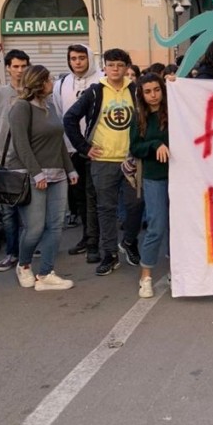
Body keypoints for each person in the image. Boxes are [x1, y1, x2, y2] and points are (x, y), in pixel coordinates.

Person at [63, 48, 144, 277]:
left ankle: (129, 241)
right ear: (104, 67)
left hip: (132, 160)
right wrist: (85, 148)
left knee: (136, 205)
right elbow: (69, 118)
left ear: (127, 66)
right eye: (110, 65)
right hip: (103, 161)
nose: (115, 70)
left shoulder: (135, 91)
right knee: (105, 209)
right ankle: (109, 253)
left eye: (119, 65)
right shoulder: (95, 92)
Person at [8, 65, 78, 291]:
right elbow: (21, 144)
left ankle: (46, 272)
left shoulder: (49, 106)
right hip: (32, 175)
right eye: (49, 80)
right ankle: (24, 264)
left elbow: (58, 142)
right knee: (35, 228)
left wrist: (70, 169)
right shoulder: (21, 107)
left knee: (55, 226)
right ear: (39, 83)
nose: (52, 83)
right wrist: (36, 173)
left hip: (57, 174)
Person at [51, 43, 103, 262]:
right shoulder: (61, 84)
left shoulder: (102, 79)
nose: (78, 62)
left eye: (82, 57)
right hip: (74, 149)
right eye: (73, 58)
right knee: (80, 197)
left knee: (99, 196)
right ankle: (87, 236)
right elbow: (62, 113)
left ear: (89, 58)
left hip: (99, 148)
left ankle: (101, 239)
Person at [0, 49, 30, 272]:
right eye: (16, 66)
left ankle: (28, 248)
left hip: (28, 161)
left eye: (23, 66)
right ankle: (12, 253)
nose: (20, 70)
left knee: (29, 211)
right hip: (2, 161)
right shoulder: (1, 93)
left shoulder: (34, 93)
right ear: (8, 68)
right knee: (8, 213)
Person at [129, 73, 170, 299]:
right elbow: (135, 147)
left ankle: (178, 270)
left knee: (179, 226)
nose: (153, 95)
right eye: (148, 91)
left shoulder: (175, 111)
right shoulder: (139, 118)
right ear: (141, 95)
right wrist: (155, 145)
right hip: (154, 177)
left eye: (157, 90)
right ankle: (146, 276)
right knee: (157, 225)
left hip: (180, 176)